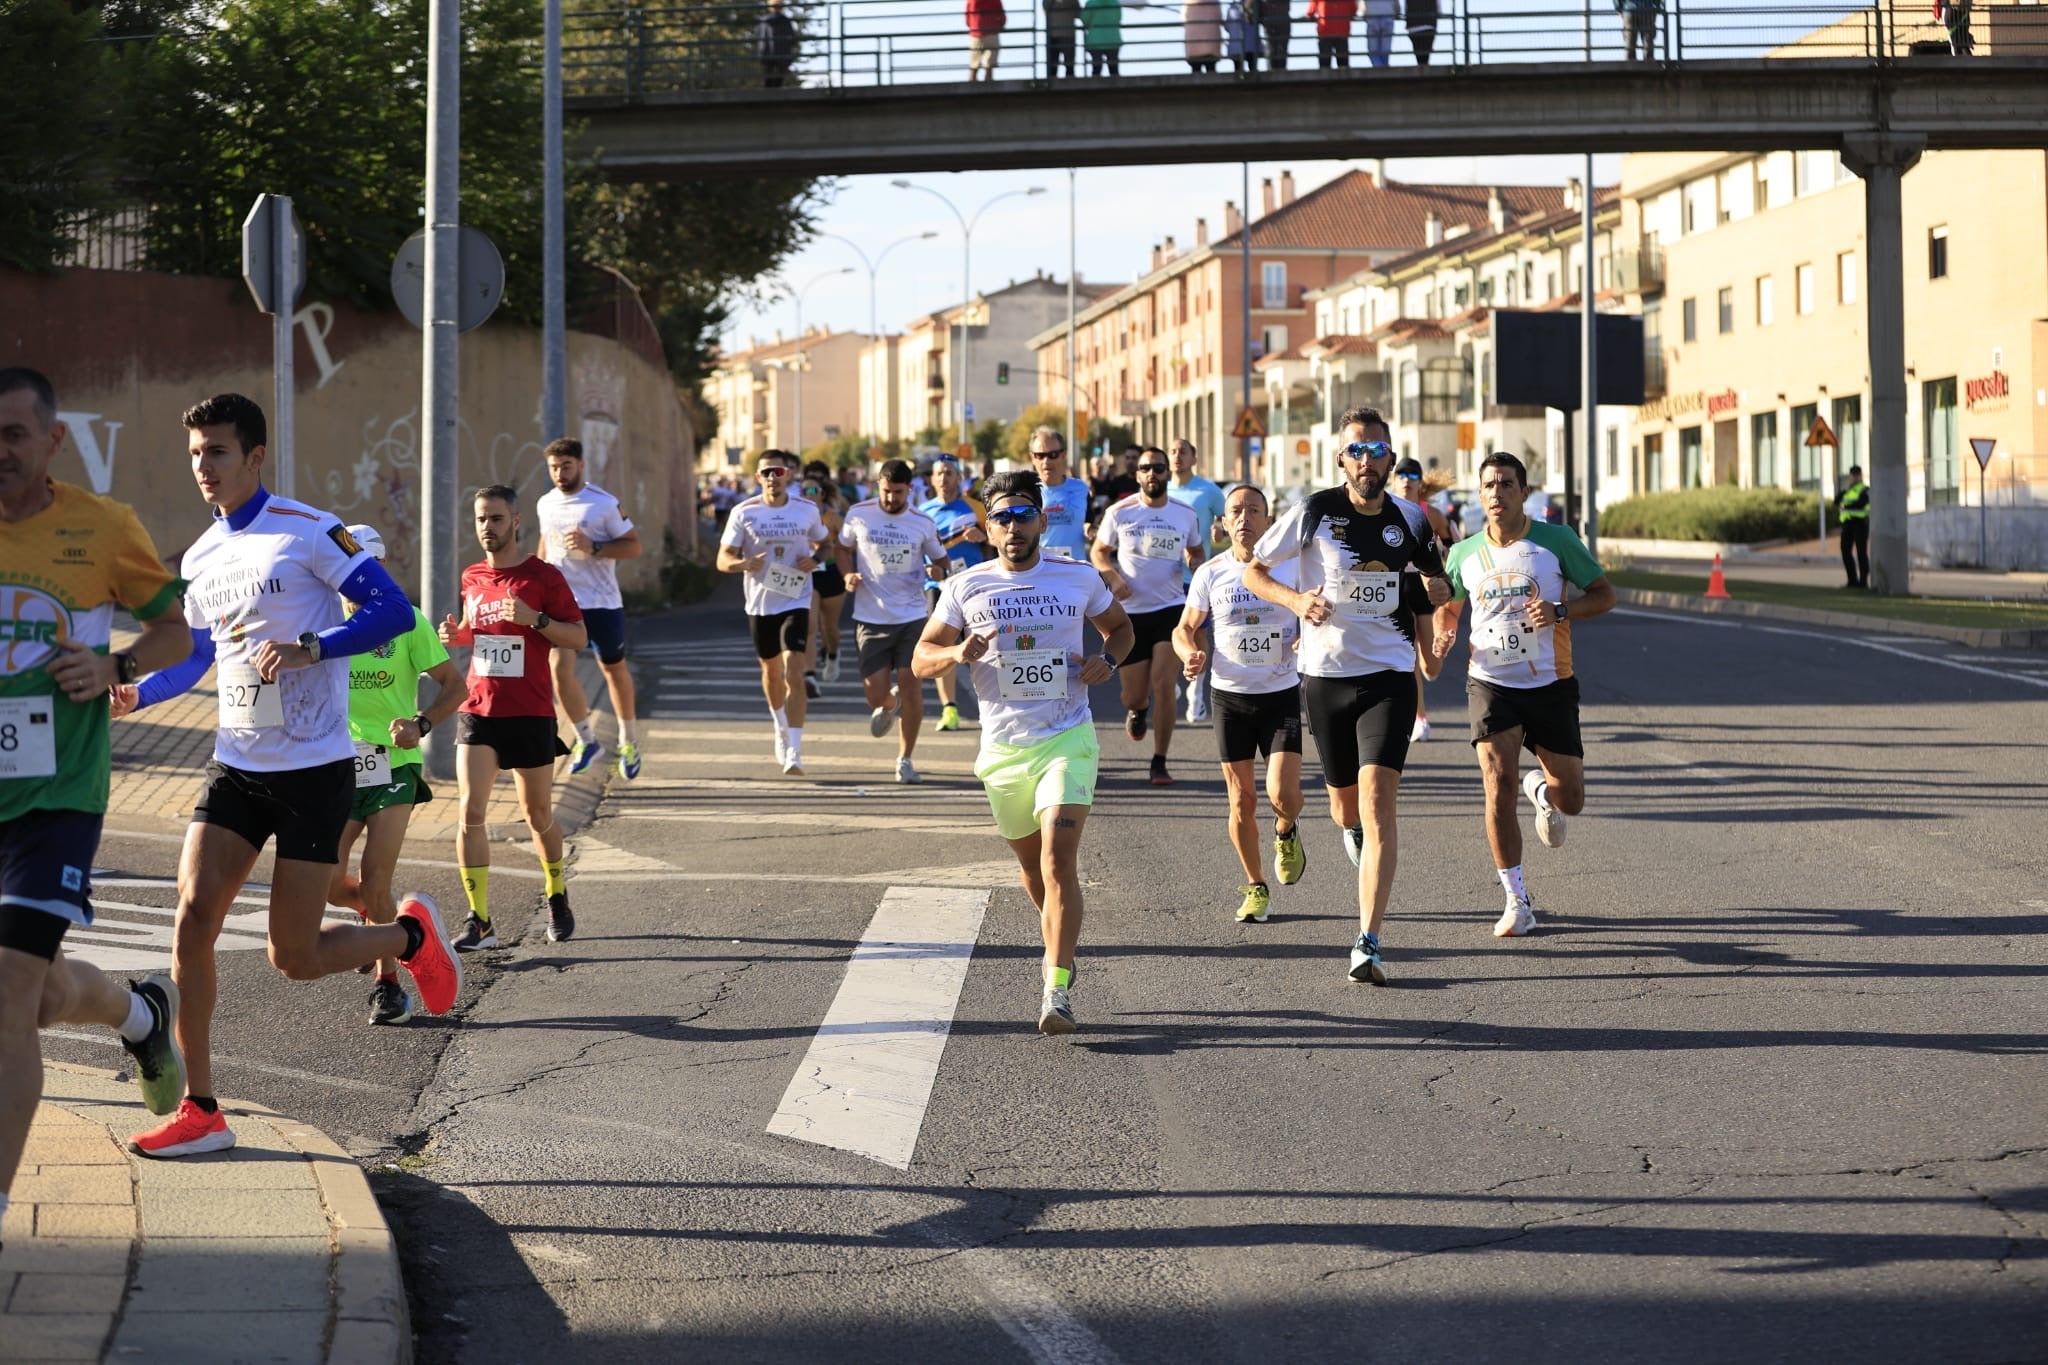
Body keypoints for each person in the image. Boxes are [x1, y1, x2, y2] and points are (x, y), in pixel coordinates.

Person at [121, 393, 463, 1158]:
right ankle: (201, 1108)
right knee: (191, 918)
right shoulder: (200, 556)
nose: (203, 468)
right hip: (236, 766)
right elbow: (201, 657)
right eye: (194, 455)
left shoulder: (311, 531)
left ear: (254, 456)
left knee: (294, 957)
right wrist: (135, 693)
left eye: (216, 452)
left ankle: (409, 935)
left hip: (314, 771)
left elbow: (390, 607)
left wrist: (317, 644)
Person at [0, 367, 192, 1232]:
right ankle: (140, 1010)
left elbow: (178, 629)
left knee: (6, 995)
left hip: (57, 796)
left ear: (51, 440)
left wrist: (115, 666)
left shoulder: (102, 527)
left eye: (12, 434)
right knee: (36, 1002)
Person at [915, 471, 1133, 1035]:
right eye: (1001, 518)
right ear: (988, 529)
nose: (1012, 527)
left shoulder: (1077, 577)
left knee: (1060, 860)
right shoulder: (966, 587)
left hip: (1068, 737)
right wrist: (957, 652)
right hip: (1004, 750)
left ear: (1041, 519)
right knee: (1035, 873)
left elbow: (1121, 631)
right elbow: (920, 659)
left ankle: (1055, 988)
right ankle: (1059, 937)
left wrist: (1106, 663)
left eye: (1021, 515)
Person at [1245, 408, 1451, 986]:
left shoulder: (1411, 517)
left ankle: (1368, 940)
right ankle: (1349, 828)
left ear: (1390, 456)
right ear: (1340, 459)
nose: (1366, 460)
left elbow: (1434, 584)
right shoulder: (1315, 511)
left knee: (1380, 802)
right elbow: (1254, 573)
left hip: (1388, 675)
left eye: (1376, 450)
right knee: (1344, 807)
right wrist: (1295, 602)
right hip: (1326, 677)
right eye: (1355, 451)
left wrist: (1437, 596)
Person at [1432, 451, 1615, 938]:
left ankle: (1544, 790)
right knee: (1497, 785)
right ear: (1479, 495)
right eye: (1488, 485)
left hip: (1551, 683)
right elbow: (1448, 607)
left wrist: (1559, 610)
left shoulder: (1555, 542)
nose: (1497, 493)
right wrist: (1443, 631)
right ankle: (1516, 899)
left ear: (1523, 492)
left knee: (1571, 798)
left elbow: (1603, 593)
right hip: (1490, 683)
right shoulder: (1463, 553)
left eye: (1506, 485)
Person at [327, 524, 465, 1025]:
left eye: (362, 570)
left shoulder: (406, 621)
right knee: (324, 881)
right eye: (343, 573)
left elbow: (455, 685)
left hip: (393, 764)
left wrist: (421, 723)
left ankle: (388, 987)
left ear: (380, 569)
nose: (351, 583)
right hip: (338, 767)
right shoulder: (322, 624)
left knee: (374, 877)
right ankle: (391, 926)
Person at [440, 485, 588, 950]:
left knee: (537, 814)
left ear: (516, 521)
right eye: (481, 519)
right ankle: (479, 919)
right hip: (480, 708)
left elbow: (578, 638)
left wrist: (535, 619)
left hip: (530, 710)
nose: (488, 527)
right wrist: (458, 635)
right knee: (470, 811)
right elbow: (479, 636)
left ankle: (557, 891)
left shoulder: (542, 577)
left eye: (497, 519)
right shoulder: (471, 576)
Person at [1173, 484, 1307, 923]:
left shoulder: (1289, 569)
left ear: (1269, 522)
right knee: (1241, 800)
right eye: (1237, 511)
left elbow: (1315, 610)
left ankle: (1285, 830)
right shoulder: (1211, 574)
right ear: (1224, 523)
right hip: (1230, 697)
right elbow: (1185, 628)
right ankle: (1255, 886)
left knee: (1283, 795)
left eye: (1254, 510)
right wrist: (1188, 653)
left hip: (1280, 692)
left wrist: (1309, 635)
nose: (1246, 517)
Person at [534, 437, 643, 781]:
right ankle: (586, 738)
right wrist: (535, 581)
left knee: (613, 670)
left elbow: (633, 546)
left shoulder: (604, 504)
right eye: (554, 467)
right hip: (564, 604)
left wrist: (594, 545)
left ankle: (629, 740)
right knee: (558, 669)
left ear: (581, 465)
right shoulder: (545, 504)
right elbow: (544, 545)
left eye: (566, 466)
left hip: (602, 603)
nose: (560, 473)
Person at [1092, 448, 1202, 785]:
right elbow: (1099, 551)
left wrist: (1194, 562)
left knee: (1164, 683)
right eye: (1145, 469)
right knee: (1134, 695)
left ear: (1168, 473)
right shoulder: (1120, 512)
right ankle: (1138, 711)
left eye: (1158, 468)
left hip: (1170, 609)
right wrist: (1113, 578)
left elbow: (1196, 550)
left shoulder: (1185, 514)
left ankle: (1160, 760)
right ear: (1137, 475)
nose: (1152, 474)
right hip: (1130, 616)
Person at [839, 460, 950, 784]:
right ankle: (888, 703)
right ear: (878, 486)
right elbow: (842, 548)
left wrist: (938, 570)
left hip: (912, 616)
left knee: (912, 686)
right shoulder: (859, 513)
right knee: (874, 695)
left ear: (909, 490)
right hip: (870, 617)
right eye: (886, 491)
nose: (891, 499)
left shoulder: (922, 522)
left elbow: (941, 559)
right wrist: (848, 574)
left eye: (898, 493)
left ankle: (905, 758)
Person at [718, 451, 829, 774]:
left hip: (795, 598)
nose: (772, 477)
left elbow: (825, 544)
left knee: (794, 671)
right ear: (758, 478)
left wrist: (817, 559)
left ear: (788, 475)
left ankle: (794, 749)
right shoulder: (744, 512)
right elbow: (722, 558)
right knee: (771, 672)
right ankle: (780, 725)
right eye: (766, 472)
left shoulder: (807, 509)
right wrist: (742, 564)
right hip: (760, 602)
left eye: (777, 471)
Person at [919, 457, 989, 733]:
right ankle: (950, 709)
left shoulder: (976, 508)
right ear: (932, 479)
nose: (945, 478)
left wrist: (983, 537)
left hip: (974, 586)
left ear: (959, 478)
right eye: (940, 474)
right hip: (938, 588)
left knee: (982, 647)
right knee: (942, 649)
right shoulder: (923, 512)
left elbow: (998, 539)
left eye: (950, 473)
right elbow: (915, 551)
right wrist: (928, 568)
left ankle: (988, 706)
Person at [1393, 456, 1455, 743]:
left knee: (1431, 665)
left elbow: (1454, 548)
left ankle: (1426, 661)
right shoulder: (1385, 510)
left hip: (1424, 585)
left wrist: (1450, 575)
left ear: (1420, 483)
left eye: (1412, 475)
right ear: (1393, 481)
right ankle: (1419, 717)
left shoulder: (1433, 515)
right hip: (1395, 587)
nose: (1406, 479)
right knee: (1409, 659)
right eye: (1401, 474)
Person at [1167, 438, 1227, 725]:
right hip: (1163, 578)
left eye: (1183, 452)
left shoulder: (1207, 490)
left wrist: (1219, 530)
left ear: (1194, 458)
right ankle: (1172, 679)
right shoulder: (1160, 490)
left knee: (1198, 634)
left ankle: (1197, 690)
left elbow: (1228, 518)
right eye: (1173, 451)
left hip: (1195, 575)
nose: (1178, 456)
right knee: (1169, 633)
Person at [803, 465, 850, 693]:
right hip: (807, 574)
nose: (808, 496)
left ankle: (832, 654)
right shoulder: (796, 517)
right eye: (804, 492)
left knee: (829, 627)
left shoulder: (832, 518)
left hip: (831, 572)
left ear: (822, 495)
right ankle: (809, 675)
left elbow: (849, 545)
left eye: (813, 492)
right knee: (810, 625)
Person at [1029, 426, 1094, 561]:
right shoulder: (1026, 493)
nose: (1046, 461)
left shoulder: (1080, 489)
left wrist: (1090, 529)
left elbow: (1090, 521)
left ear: (1063, 455)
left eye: (1053, 455)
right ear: (1032, 458)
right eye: (1040, 455)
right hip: (1039, 570)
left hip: (1075, 568)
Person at [1837, 463, 1871, 589]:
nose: (1855, 478)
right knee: (1845, 551)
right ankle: (1852, 580)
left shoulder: (1865, 489)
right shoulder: (1847, 491)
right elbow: (1837, 500)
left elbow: (1861, 503)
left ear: (1861, 476)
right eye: (1853, 475)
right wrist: (1845, 493)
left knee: (1861, 552)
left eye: (1857, 475)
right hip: (1847, 525)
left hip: (1860, 524)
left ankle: (1863, 582)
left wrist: (1846, 505)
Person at [756, 0, 798, 86]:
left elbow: (760, 36)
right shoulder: (785, 21)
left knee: (768, 75)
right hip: (782, 53)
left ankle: (767, 93)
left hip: (766, 53)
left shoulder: (763, 21)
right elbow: (792, 38)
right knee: (780, 77)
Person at [1083, 0, 1125, 74]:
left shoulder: (1091, 3)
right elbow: (1119, 17)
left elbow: (1085, 20)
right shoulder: (1115, 3)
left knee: (1096, 67)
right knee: (1114, 68)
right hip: (1113, 38)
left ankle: (1095, 83)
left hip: (1095, 39)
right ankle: (1116, 84)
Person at [1307, 0, 1354, 67]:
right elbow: (1353, 10)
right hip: (1342, 31)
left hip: (1325, 32)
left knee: (1325, 65)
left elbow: (1310, 12)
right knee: (1343, 65)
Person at [967, 0, 1006, 79]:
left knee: (974, 66)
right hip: (991, 33)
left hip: (976, 33)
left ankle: (971, 88)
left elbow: (967, 19)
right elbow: (1002, 17)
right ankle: (990, 88)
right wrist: (998, 26)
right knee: (989, 67)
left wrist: (974, 25)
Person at [1184, 0, 1223, 71]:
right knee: (1211, 69)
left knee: (1195, 70)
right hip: (1211, 43)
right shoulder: (1214, 2)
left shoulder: (1189, 2)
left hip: (1193, 43)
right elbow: (1219, 17)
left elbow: (1184, 17)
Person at [1045, 0, 1080, 75]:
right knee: (1068, 65)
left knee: (1055, 65)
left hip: (1055, 34)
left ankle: (1055, 81)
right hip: (1066, 34)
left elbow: (1046, 8)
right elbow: (1078, 13)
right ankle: (1069, 81)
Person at [1225, 0, 1261, 71]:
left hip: (1236, 46)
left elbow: (1227, 27)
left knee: (1238, 69)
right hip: (1251, 46)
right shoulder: (1253, 4)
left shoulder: (1232, 8)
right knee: (1252, 67)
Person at [1259, 0, 1293, 68]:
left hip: (1273, 20)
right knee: (1276, 49)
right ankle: (1277, 71)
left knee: (1276, 48)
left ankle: (1275, 71)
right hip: (1276, 21)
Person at [1362, 0, 1396, 65]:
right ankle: (1384, 70)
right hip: (1388, 16)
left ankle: (1380, 69)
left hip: (1372, 17)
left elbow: (1362, 5)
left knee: (1373, 51)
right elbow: (1396, 5)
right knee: (1385, 50)